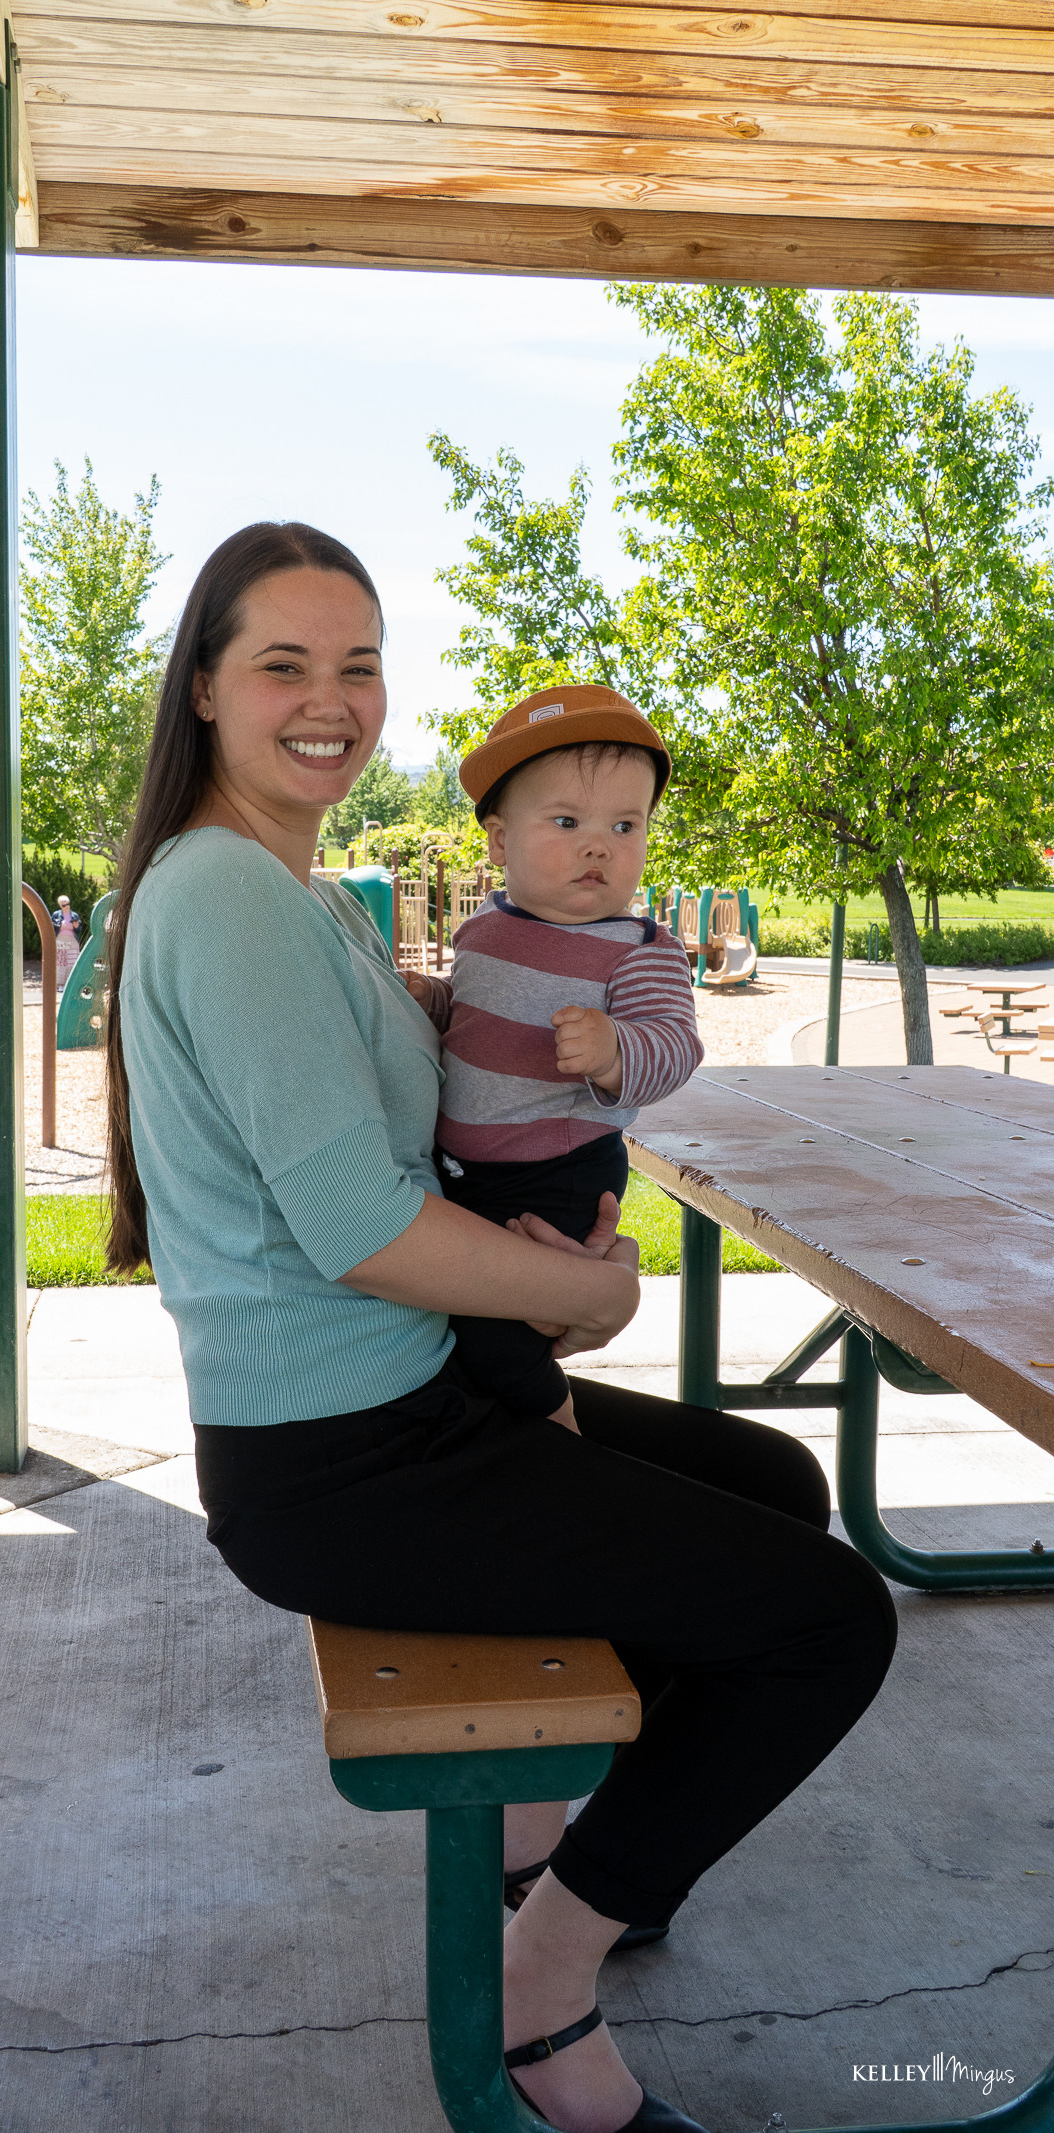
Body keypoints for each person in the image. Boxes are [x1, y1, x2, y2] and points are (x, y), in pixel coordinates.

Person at [105, 522, 897, 2133]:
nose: (332, 701)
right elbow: (370, 1234)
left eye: (360, 665)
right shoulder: (232, 902)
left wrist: (533, 1242)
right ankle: (543, 1984)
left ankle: (555, 1846)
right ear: (202, 687)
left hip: (415, 1403)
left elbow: (416, 1136)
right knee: (830, 1620)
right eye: (283, 664)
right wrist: (589, 1294)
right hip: (347, 1463)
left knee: (773, 1489)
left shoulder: (300, 894)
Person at [404, 686, 703, 1432]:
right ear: (500, 843)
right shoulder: (484, 929)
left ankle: (562, 1441)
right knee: (453, 1322)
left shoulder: (638, 948)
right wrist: (437, 1003)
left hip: (558, 1173)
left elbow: (676, 1043)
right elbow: (475, 1015)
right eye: (567, 821)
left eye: (625, 825)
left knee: (497, 1336)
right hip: (465, 1173)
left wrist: (613, 1050)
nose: (599, 844)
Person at [53, 894, 81, 989]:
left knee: (72, 962)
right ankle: (60, 984)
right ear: (60, 906)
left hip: (72, 941)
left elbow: (78, 930)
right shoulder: (56, 915)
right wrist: (60, 924)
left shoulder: (74, 915)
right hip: (60, 940)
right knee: (61, 963)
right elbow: (52, 927)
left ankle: (69, 983)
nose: (67, 906)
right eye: (64, 905)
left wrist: (76, 926)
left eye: (68, 904)